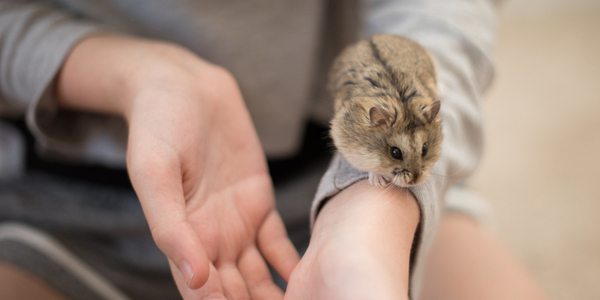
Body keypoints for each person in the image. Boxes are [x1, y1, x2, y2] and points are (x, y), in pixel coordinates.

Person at [0, 0, 549, 299]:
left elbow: (442, 17)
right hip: (51, 201)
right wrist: (128, 73)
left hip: (336, 181)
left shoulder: (388, 155)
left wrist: (374, 208)